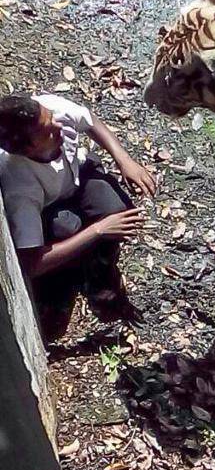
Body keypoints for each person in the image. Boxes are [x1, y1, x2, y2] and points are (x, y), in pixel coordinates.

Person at [0, 92, 156, 337]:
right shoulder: (20, 187)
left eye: (51, 117)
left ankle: (99, 273)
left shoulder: (51, 110)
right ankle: (65, 285)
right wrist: (98, 230)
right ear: (29, 148)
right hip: (50, 208)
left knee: (116, 208)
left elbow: (89, 121)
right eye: (48, 130)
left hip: (77, 176)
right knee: (67, 229)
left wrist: (124, 160)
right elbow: (31, 263)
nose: (58, 124)